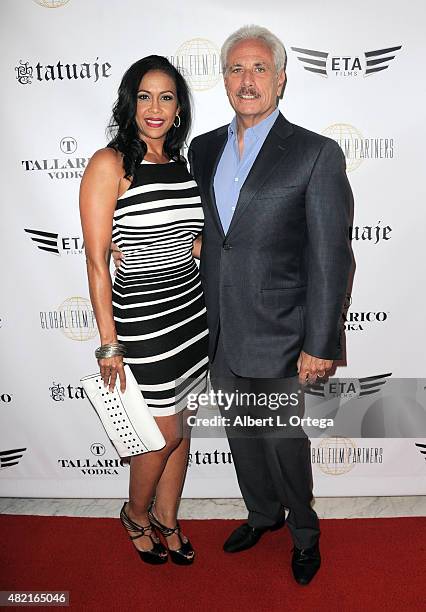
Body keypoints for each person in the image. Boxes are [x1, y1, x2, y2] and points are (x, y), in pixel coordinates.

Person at [187, 25, 353, 585]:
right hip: (218, 329)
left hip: (283, 334)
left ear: (281, 79)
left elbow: (332, 257)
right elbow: (213, 234)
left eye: (259, 69)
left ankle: (305, 534)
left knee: (283, 443)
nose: (247, 79)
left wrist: (319, 342)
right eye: (236, 69)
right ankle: (262, 515)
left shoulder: (315, 153)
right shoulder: (203, 147)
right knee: (241, 435)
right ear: (224, 80)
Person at [79, 55, 208, 565]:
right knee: (162, 433)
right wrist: (109, 345)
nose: (155, 108)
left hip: (192, 321)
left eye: (167, 97)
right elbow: (95, 263)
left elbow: (192, 243)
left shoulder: (181, 166)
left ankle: (167, 520)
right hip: (143, 324)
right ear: (130, 103)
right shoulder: (109, 165)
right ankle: (135, 513)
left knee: (183, 428)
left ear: (179, 109)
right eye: (145, 96)